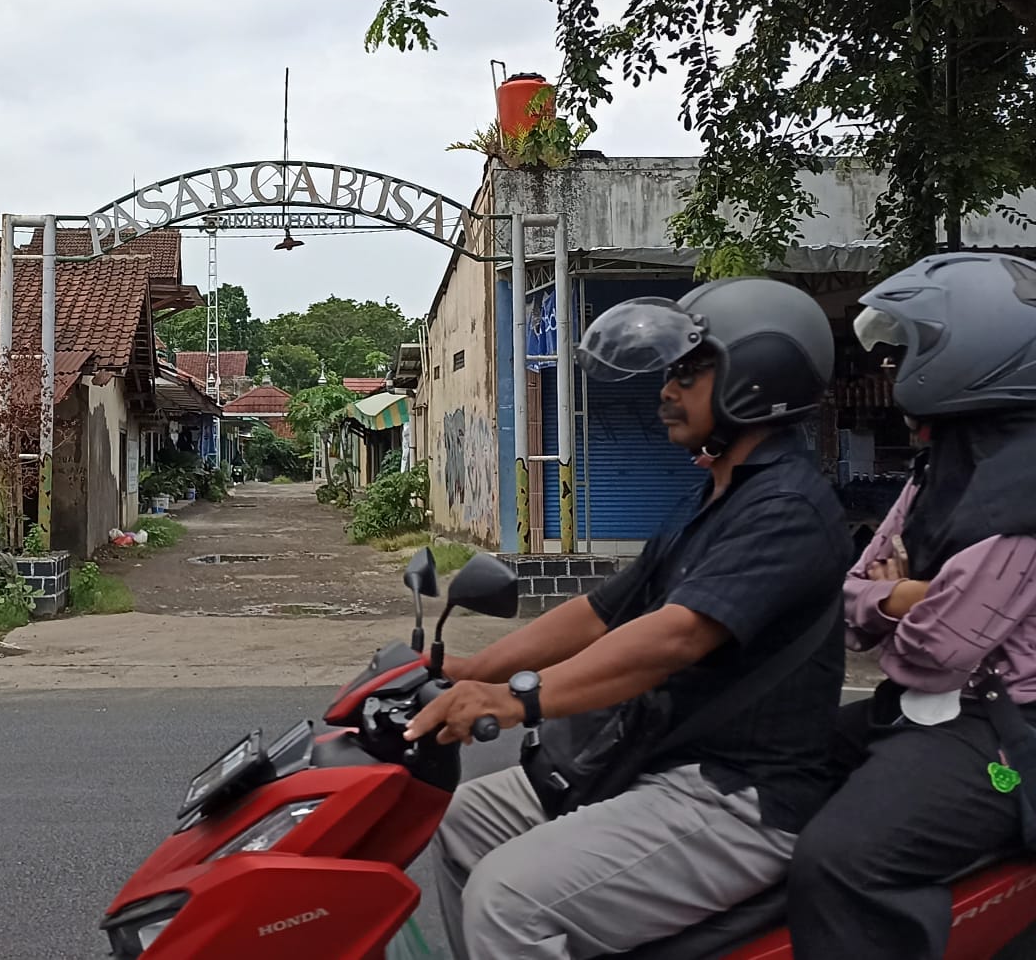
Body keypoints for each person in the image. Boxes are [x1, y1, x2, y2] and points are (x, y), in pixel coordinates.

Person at [407, 277, 853, 959]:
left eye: (691, 373)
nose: (667, 392)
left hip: (737, 796)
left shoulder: (786, 510)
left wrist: (515, 700)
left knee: (508, 900)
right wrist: (459, 670)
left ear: (759, 378)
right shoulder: (716, 497)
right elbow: (596, 612)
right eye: (670, 373)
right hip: (654, 763)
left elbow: (672, 635)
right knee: (465, 818)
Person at [787, 252, 1036, 959]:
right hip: (936, 709)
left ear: (979, 352)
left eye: (907, 351)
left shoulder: (1025, 485)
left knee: (839, 862)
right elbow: (852, 593)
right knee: (773, 759)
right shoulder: (948, 465)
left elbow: (939, 652)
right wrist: (904, 595)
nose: (889, 368)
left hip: (1003, 727)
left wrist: (888, 601)